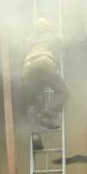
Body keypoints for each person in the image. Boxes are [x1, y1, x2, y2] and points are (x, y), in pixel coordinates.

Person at [23, 17, 68, 151]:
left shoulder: (28, 39)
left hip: (28, 66)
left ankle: (35, 133)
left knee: (34, 103)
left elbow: (25, 50)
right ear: (48, 28)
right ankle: (48, 116)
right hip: (44, 61)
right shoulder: (53, 37)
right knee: (63, 91)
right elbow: (60, 49)